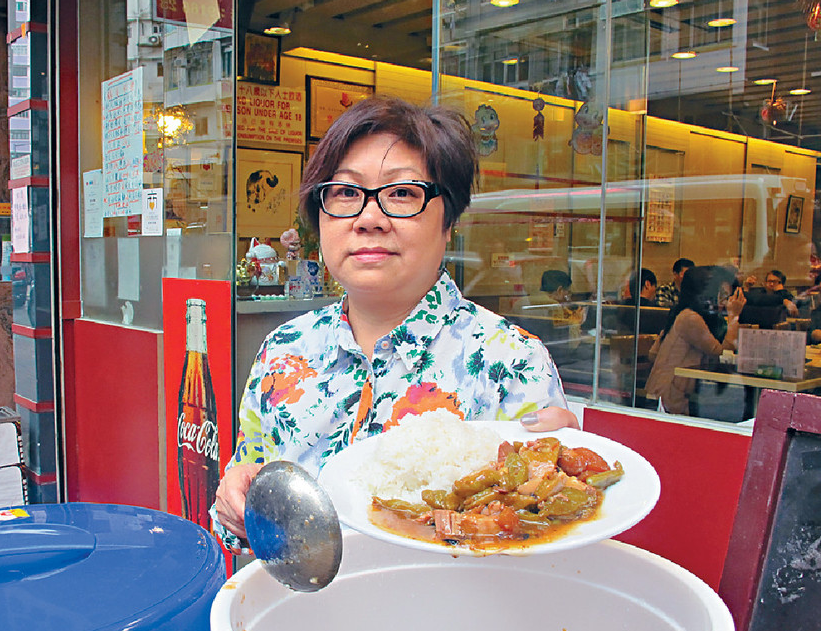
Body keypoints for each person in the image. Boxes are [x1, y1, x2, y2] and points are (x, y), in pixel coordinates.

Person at [212, 96, 578, 552]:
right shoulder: (285, 349)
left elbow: (542, 548)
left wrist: (563, 496)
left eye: (402, 193)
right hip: (300, 614)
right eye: (345, 193)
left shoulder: (510, 362)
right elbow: (241, 505)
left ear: (450, 220)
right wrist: (236, 507)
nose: (369, 219)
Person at [645, 266, 746, 415]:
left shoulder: (683, 313)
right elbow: (722, 354)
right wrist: (734, 316)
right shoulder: (690, 318)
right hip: (669, 398)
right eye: (722, 295)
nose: (725, 302)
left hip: (675, 392)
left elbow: (653, 353)